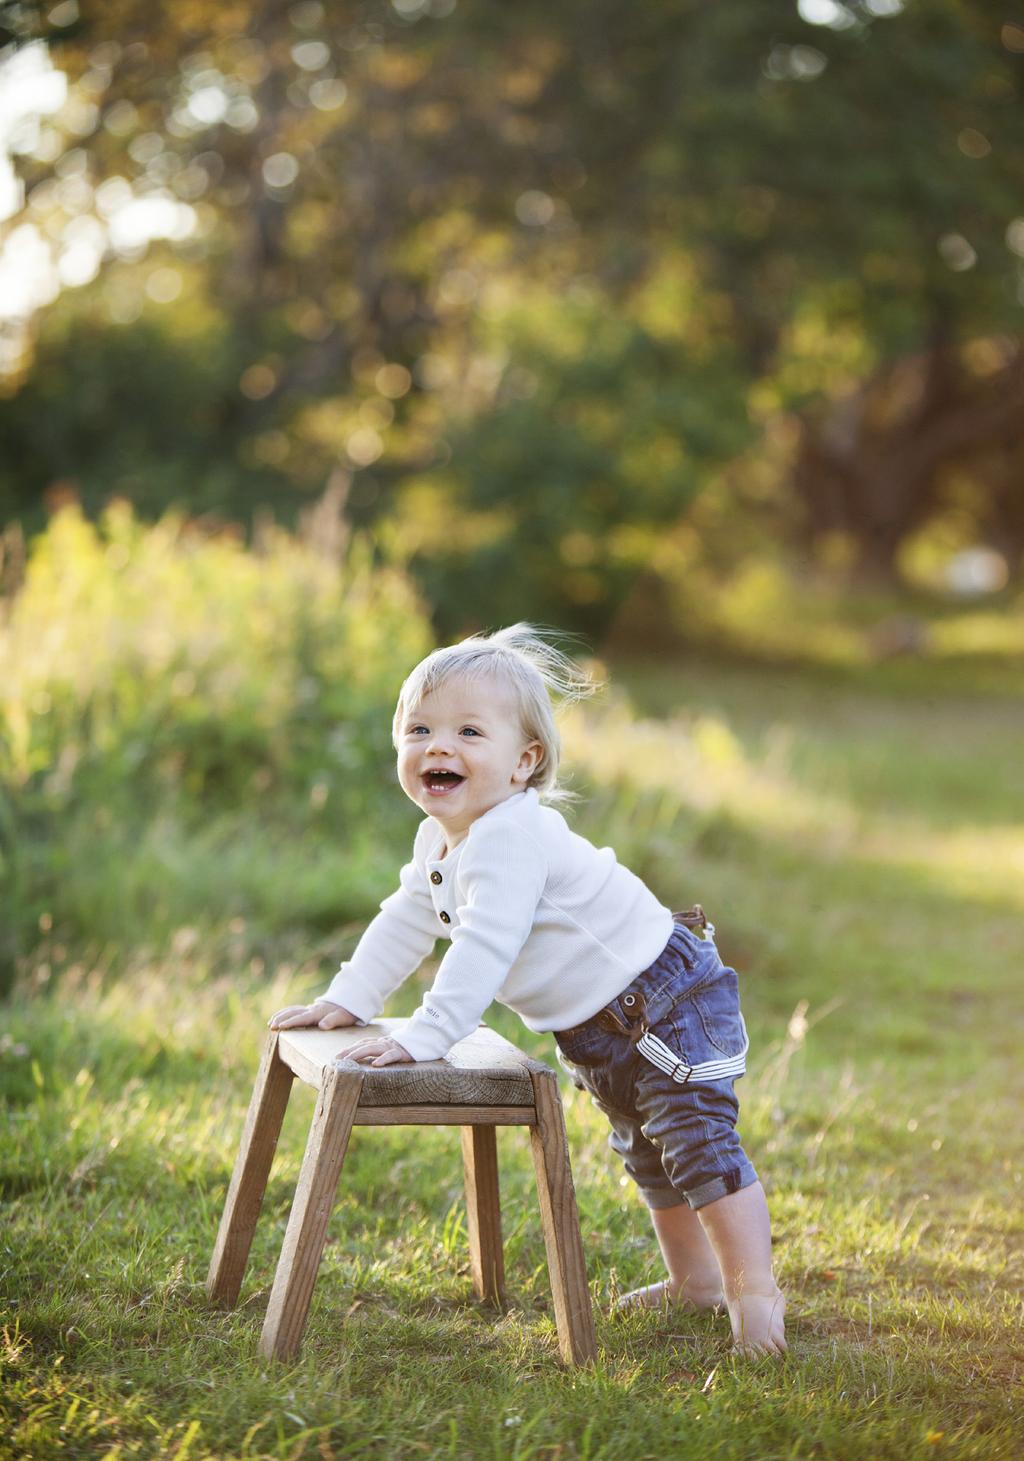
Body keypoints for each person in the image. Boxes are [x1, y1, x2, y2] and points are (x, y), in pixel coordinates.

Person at [268, 623, 786, 1355]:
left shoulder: (512, 836)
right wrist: (349, 997)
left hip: (663, 1003)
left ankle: (754, 1290)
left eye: (469, 731)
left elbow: (484, 947)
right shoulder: (439, 839)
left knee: (697, 1145)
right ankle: (695, 1281)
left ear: (524, 762)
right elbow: (406, 919)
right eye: (419, 729)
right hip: (598, 1027)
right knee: (645, 1150)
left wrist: (425, 1032)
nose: (438, 746)